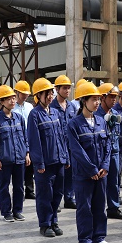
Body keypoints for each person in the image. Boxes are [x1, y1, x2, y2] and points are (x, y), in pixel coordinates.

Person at [68, 82, 112, 243]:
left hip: (101, 173)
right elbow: (76, 150)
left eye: (98, 99)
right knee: (84, 208)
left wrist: (105, 166)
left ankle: (99, 237)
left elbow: (108, 145)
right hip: (83, 175)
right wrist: (91, 169)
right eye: (93, 99)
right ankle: (85, 240)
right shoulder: (74, 124)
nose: (97, 103)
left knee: (100, 206)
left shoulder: (101, 121)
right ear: (83, 101)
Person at [28, 77, 70, 237]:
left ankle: (54, 221)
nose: (51, 96)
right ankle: (45, 224)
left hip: (59, 160)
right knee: (45, 195)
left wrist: (65, 157)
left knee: (58, 193)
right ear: (39, 95)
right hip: (45, 164)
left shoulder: (55, 113)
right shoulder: (34, 115)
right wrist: (39, 163)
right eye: (48, 94)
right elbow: (34, 141)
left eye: (52, 93)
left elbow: (62, 137)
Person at [0, 85, 30, 222]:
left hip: (19, 159)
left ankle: (17, 211)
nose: (12, 101)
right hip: (4, 160)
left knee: (19, 187)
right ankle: (6, 212)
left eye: (13, 98)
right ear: (1, 101)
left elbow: (25, 138)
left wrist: (27, 153)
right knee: (3, 187)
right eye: (8, 99)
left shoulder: (19, 118)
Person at [96, 82, 122, 220]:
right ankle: (98, 209)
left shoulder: (115, 113)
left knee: (114, 181)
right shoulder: (96, 114)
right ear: (103, 97)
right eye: (111, 97)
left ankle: (113, 208)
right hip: (100, 153)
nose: (114, 100)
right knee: (100, 183)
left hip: (114, 152)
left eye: (115, 97)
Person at [50, 75, 78, 209]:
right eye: (64, 88)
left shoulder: (72, 106)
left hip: (71, 144)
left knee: (70, 173)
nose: (67, 91)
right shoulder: (51, 107)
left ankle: (69, 198)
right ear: (57, 89)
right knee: (57, 175)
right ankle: (55, 201)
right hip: (57, 145)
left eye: (68, 88)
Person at [13, 80, 36, 200]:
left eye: (27, 93)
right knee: (20, 167)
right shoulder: (12, 107)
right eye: (23, 93)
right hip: (18, 139)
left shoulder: (29, 106)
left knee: (30, 166)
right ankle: (19, 191)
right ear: (17, 92)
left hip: (30, 138)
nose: (25, 96)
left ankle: (29, 190)